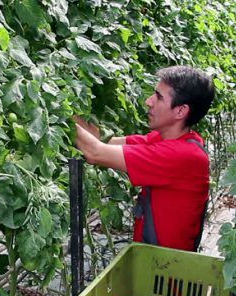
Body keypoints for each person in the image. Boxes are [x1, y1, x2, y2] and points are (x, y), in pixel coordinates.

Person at [74, 66, 216, 251]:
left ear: (180, 111)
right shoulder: (165, 140)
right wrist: (66, 109)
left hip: (165, 269)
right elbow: (102, 141)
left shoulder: (181, 156)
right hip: (152, 259)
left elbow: (96, 152)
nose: (149, 101)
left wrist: (53, 113)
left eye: (158, 97)